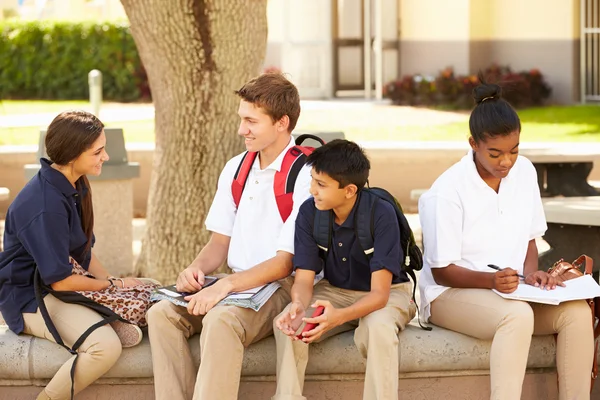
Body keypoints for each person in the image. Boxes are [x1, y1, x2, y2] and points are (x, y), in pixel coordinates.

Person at [418, 80, 594, 400]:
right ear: (473, 144)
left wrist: (530, 274)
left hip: (511, 290)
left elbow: (529, 238)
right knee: (517, 316)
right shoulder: (447, 191)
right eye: (495, 153)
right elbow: (442, 271)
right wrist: (493, 282)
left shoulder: (523, 172)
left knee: (578, 313)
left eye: (513, 150)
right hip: (449, 294)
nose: (506, 162)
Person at [147, 73, 312, 400]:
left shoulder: (307, 175)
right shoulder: (236, 168)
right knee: (161, 313)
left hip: (280, 286)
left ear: (282, 123)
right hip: (237, 284)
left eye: (251, 121)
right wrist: (194, 271)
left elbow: (285, 262)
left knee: (221, 319)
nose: (241, 130)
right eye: (241, 119)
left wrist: (223, 287)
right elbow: (218, 244)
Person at [0, 110, 151, 400]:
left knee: (148, 287)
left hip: (60, 286)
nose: (105, 157)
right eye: (98, 152)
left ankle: (108, 313)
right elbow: (61, 282)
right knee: (105, 347)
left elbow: (83, 250)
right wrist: (113, 288)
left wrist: (115, 282)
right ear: (72, 154)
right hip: (30, 297)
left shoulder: (73, 182)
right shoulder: (45, 204)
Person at [272, 139, 416, 400]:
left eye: (321, 185)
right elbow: (304, 280)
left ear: (349, 190)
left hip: (387, 292)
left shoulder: (381, 214)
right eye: (313, 180)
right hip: (335, 291)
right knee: (290, 323)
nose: (313, 190)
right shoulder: (309, 211)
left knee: (378, 328)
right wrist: (297, 304)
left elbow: (380, 295)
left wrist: (337, 317)